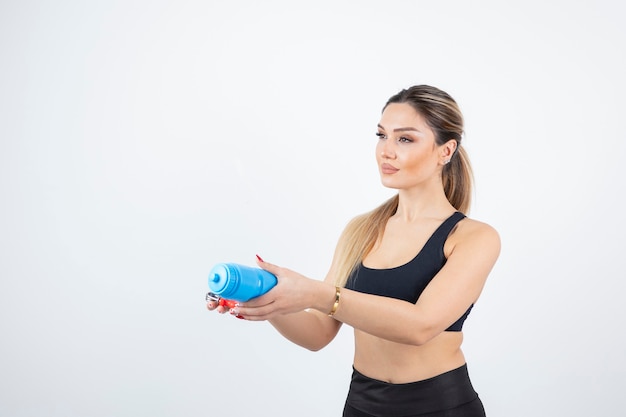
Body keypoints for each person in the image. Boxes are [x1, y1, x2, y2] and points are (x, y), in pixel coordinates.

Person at [206, 85, 500, 417]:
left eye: (404, 139)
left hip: (441, 406)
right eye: (381, 135)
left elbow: (420, 326)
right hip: (361, 404)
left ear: (445, 151)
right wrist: (269, 299)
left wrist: (315, 293)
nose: (386, 151)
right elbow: (318, 332)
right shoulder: (361, 230)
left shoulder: (473, 237)